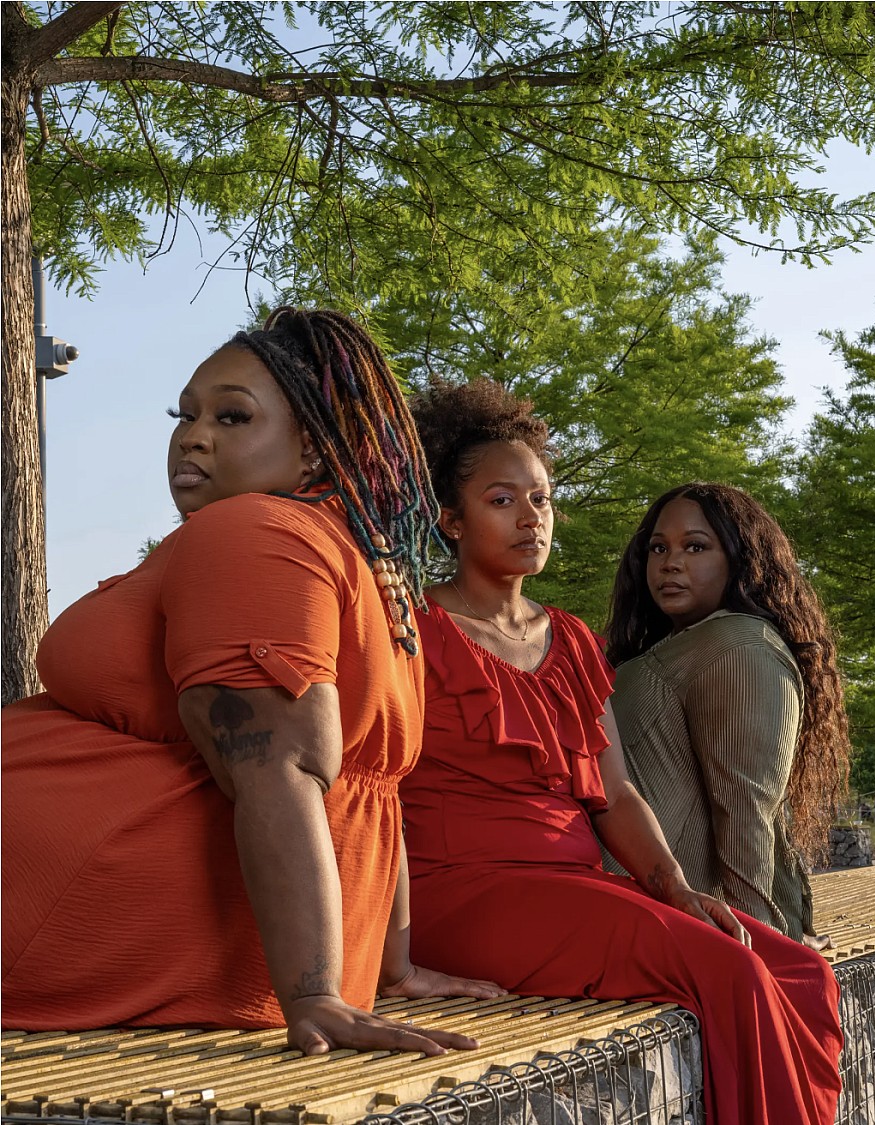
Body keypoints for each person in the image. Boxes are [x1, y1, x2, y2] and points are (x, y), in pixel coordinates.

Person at [2, 309, 502, 1054]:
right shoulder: (367, 563)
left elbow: (282, 763)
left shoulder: (256, 531)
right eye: (186, 414)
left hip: (64, 922)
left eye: (233, 416)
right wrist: (387, 964)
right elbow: (376, 789)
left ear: (314, 449)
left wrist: (316, 994)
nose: (193, 435)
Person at [400, 378, 842, 1125]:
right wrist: (392, 953)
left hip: (574, 884)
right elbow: (366, 788)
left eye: (540, 498)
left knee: (800, 970)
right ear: (449, 518)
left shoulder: (571, 638)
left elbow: (615, 792)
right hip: (462, 889)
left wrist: (674, 885)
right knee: (729, 969)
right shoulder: (408, 630)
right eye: (502, 499)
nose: (530, 517)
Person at [604, 482, 851, 948]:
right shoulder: (683, 647)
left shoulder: (738, 645)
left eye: (696, 546)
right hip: (628, 900)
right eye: (659, 548)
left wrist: (761, 944)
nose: (670, 562)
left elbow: (744, 808)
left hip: (664, 917)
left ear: (740, 560)